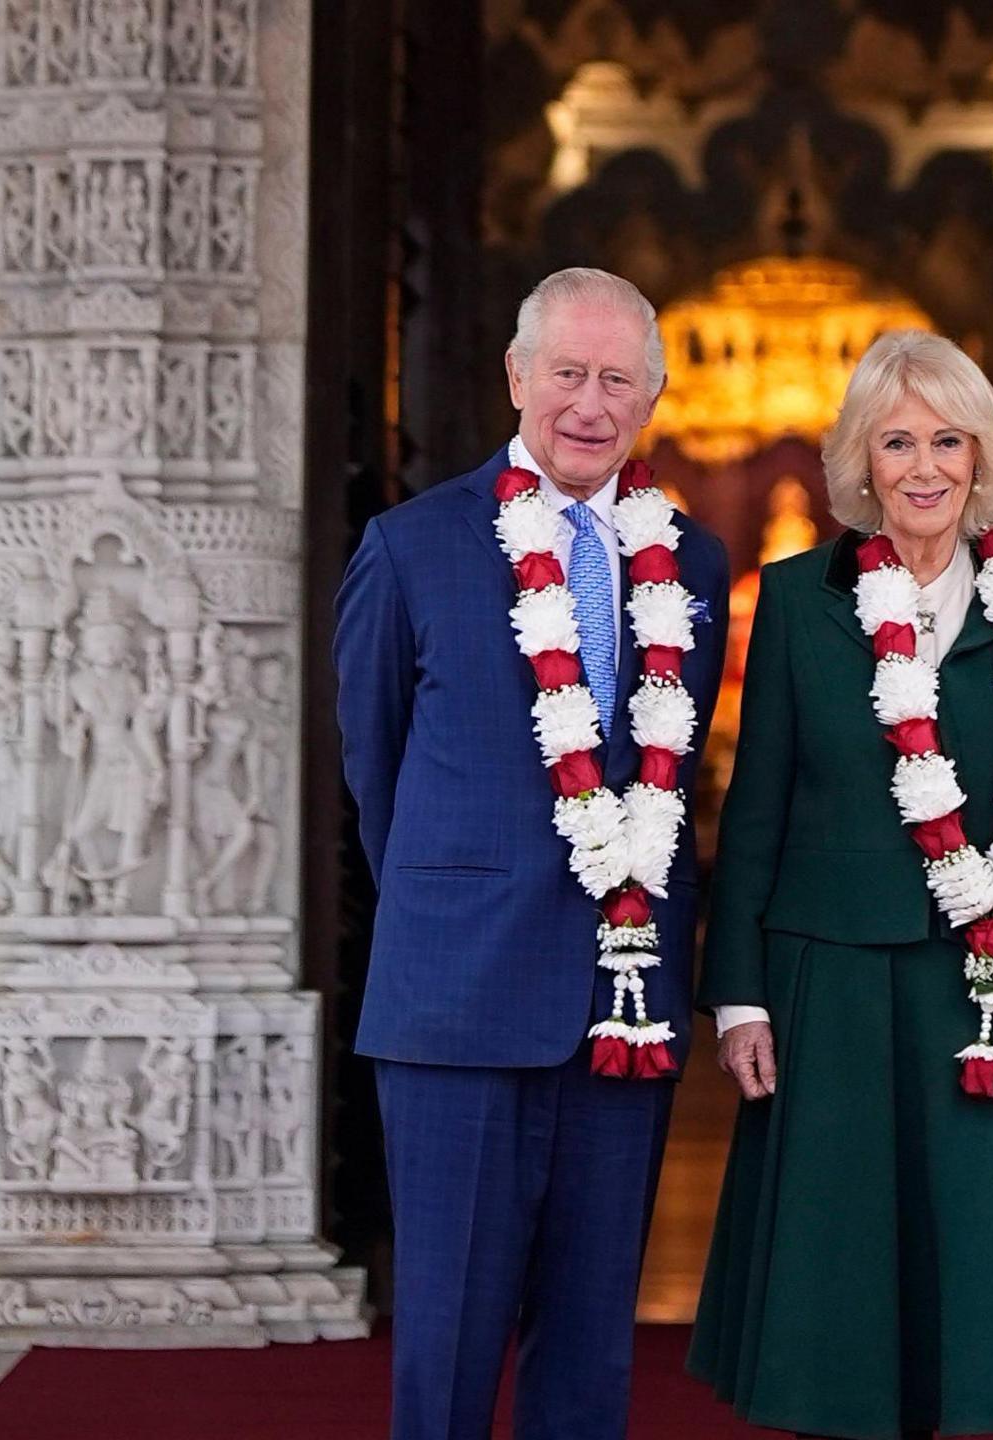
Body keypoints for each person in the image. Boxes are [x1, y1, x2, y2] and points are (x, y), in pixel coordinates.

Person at [688, 330, 993, 1439]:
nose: (925, 466)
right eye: (898, 442)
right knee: (844, 1271)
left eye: (948, 440)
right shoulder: (797, 600)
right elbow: (757, 810)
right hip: (833, 977)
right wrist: (738, 995)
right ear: (862, 462)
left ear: (984, 458)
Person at [333, 266, 730, 1440]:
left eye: (618, 380)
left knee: (590, 1343)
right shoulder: (411, 548)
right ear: (517, 377)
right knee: (449, 1338)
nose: (590, 403)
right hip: (457, 1000)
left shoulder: (694, 566)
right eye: (567, 373)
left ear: (653, 398)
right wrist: (457, 904)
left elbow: (678, 772)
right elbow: (375, 770)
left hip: (625, 1000)